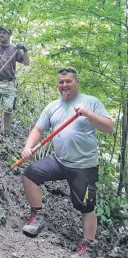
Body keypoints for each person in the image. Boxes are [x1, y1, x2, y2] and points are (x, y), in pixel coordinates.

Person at [21, 68, 114, 258]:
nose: (64, 85)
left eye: (68, 81)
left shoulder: (91, 102)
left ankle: (88, 245)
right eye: (61, 82)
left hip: (84, 165)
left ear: (77, 83)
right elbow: (38, 129)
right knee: (30, 174)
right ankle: (38, 216)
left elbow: (109, 128)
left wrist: (88, 114)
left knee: (86, 206)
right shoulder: (52, 106)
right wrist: (28, 147)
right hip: (59, 160)